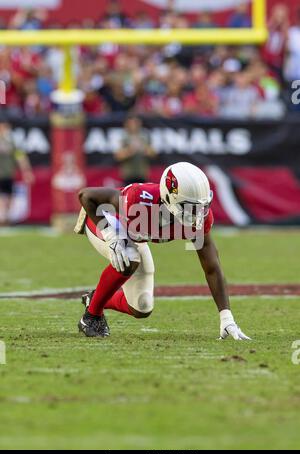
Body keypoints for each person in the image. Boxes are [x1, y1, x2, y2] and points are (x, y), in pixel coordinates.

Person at [75, 162, 250, 341]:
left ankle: (95, 298)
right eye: (190, 207)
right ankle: (92, 317)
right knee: (130, 257)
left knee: (141, 306)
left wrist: (226, 317)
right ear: (170, 198)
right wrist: (111, 234)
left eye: (202, 206)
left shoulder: (197, 221)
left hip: (132, 237)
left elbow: (212, 267)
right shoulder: (140, 199)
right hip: (103, 220)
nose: (198, 213)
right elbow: (87, 195)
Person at [0, 121, 34, 226]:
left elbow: (20, 157)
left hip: (8, 174)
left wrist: (27, 171)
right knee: (1, 197)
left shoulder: (12, 142)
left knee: (9, 196)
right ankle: (2, 218)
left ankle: (6, 218)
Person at [114, 115, 156, 185]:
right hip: (128, 175)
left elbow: (153, 153)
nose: (133, 125)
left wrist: (144, 148)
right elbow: (117, 156)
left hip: (142, 174)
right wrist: (131, 150)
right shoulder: (123, 136)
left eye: (135, 123)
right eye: (131, 123)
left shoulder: (145, 136)